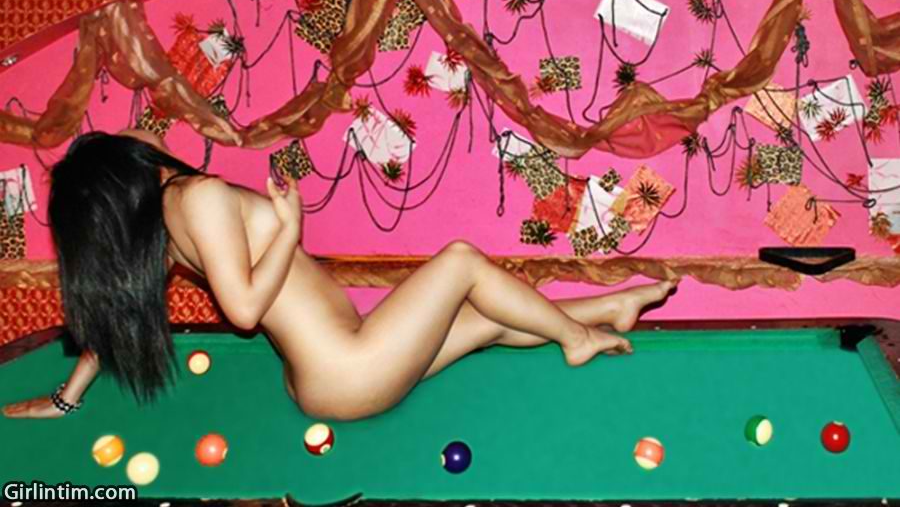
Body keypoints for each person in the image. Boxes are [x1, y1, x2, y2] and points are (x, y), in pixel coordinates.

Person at [2, 128, 677, 421]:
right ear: (125, 172)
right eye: (127, 146)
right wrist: (288, 229)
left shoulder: (167, 230)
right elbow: (242, 310)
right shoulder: (194, 199)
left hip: (340, 365)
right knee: (462, 262)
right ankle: (576, 339)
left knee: (483, 321)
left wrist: (66, 399)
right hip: (349, 368)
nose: (143, 139)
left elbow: (117, 314)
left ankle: (606, 310)